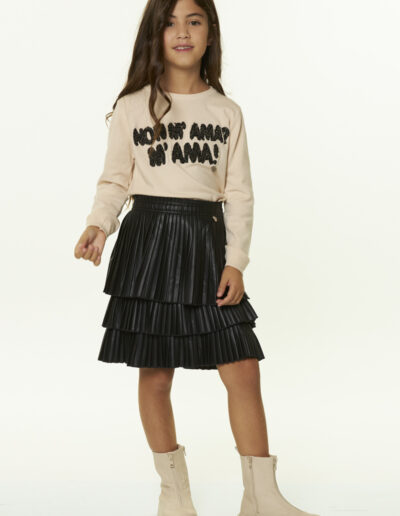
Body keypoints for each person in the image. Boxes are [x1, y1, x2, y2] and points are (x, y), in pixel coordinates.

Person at [74, 1, 319, 515]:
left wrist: (236, 260)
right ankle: (175, 495)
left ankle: (261, 496)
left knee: (242, 366)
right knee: (155, 373)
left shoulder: (226, 112)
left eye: (194, 21)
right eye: (169, 22)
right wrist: (99, 225)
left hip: (206, 243)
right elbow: (115, 180)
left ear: (210, 34)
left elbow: (240, 193)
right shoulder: (133, 107)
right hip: (148, 244)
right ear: (155, 34)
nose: (181, 32)